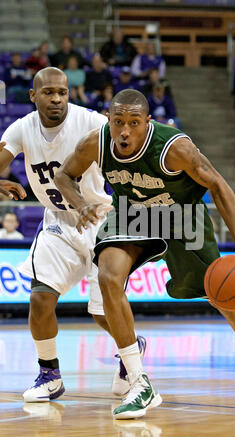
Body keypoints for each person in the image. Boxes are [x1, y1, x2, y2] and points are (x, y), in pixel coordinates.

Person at [54, 89, 235, 420]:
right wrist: (80, 204)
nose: (124, 131)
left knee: (220, 291)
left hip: (182, 216)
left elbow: (219, 186)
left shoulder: (174, 147)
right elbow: (63, 175)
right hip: (131, 214)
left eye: (133, 123)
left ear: (147, 122)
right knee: (109, 275)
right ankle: (140, 381)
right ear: (109, 120)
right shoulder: (94, 144)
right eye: (118, 122)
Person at [0, 68, 146, 402]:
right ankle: (49, 374)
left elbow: (131, 142)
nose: (56, 99)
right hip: (58, 220)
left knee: (101, 313)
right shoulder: (22, 127)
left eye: (62, 92)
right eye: (48, 92)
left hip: (99, 217)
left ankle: (131, 349)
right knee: (40, 298)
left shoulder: (91, 121)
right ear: (33, 96)